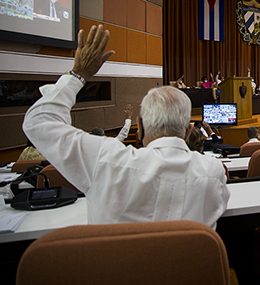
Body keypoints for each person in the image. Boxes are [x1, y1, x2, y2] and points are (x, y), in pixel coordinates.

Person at [22, 25, 229, 228]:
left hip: (114, 263)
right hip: (190, 263)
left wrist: (78, 75)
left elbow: (39, 122)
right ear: (188, 130)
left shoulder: (105, 159)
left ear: (139, 126)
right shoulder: (214, 172)